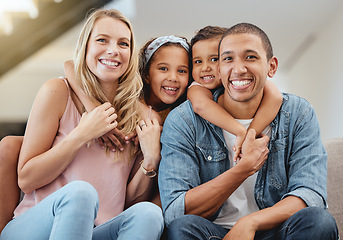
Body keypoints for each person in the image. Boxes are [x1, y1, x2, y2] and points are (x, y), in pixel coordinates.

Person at [158, 22, 339, 240]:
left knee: (319, 221)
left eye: (250, 57)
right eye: (227, 59)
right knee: (182, 228)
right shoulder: (185, 120)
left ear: (271, 66)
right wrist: (243, 169)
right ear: (219, 69)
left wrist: (250, 223)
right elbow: (176, 210)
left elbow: (311, 195)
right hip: (214, 233)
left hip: (277, 231)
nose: (239, 69)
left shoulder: (298, 113)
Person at [0, 8, 164, 240]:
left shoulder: (144, 118)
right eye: (102, 40)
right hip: (34, 227)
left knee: (149, 213)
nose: (113, 51)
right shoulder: (58, 92)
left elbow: (122, 202)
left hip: (95, 232)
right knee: (81, 193)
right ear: (86, 46)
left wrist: (150, 161)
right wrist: (81, 135)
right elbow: (26, 179)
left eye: (123, 44)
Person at [188, 26, 282, 161]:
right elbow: (201, 105)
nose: (205, 68)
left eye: (214, 59)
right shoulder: (197, 87)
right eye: (198, 61)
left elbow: (276, 97)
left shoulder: (250, 82)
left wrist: (250, 135)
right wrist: (239, 131)